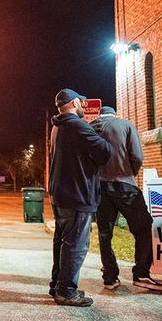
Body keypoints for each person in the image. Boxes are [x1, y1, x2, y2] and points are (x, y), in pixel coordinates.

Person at [48, 89, 112, 307]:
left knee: (63, 241)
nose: (84, 106)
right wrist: (98, 135)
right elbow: (105, 152)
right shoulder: (77, 125)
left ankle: (57, 284)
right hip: (77, 192)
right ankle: (66, 290)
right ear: (74, 102)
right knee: (76, 243)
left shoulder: (57, 126)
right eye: (82, 102)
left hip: (60, 193)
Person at [91, 106, 162, 292]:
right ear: (114, 114)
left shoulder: (89, 128)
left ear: (100, 115)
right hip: (124, 185)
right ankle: (141, 274)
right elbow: (137, 156)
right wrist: (130, 173)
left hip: (99, 188)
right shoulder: (125, 125)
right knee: (143, 227)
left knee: (105, 233)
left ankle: (110, 277)